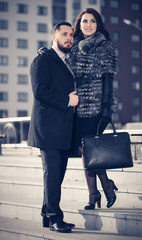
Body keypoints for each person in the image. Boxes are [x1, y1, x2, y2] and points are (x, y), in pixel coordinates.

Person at [28, 22, 79, 233]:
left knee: (56, 175)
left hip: (61, 130)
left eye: (71, 35)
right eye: (64, 34)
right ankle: (55, 217)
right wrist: (67, 101)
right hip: (48, 130)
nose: (69, 38)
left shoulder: (65, 61)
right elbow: (40, 91)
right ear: (54, 36)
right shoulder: (43, 59)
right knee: (53, 175)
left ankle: (46, 216)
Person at [66, 8, 118, 210]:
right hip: (76, 109)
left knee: (89, 149)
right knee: (83, 150)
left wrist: (106, 108)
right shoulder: (73, 48)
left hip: (96, 108)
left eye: (93, 21)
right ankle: (98, 191)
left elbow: (108, 80)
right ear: (79, 24)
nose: (88, 24)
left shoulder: (104, 46)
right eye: (84, 21)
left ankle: (101, 189)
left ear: (98, 25)